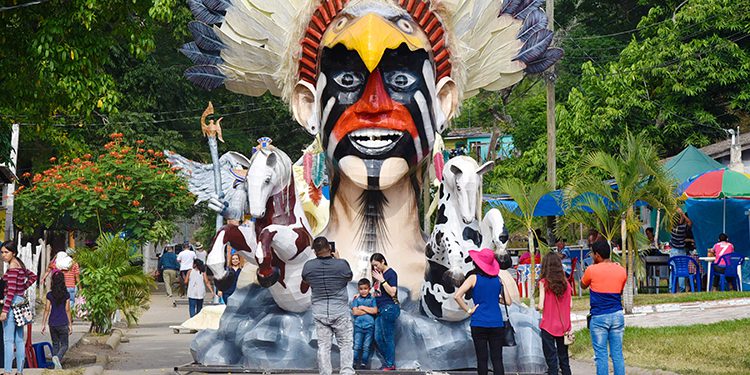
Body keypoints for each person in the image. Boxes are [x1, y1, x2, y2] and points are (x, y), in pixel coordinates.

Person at [454, 248, 512, 375]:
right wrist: (494, 298)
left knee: (482, 360)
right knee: (497, 360)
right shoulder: (498, 279)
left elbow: (457, 296)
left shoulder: (473, 278)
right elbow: (508, 301)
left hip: (479, 322)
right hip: (496, 323)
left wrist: (469, 310)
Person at [301, 237, 354, 375]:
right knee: (345, 344)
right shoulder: (342, 264)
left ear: (315, 251)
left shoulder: (308, 266)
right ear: (329, 248)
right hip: (340, 311)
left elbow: (305, 283)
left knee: (324, 346)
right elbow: (348, 278)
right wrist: (337, 260)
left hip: (320, 312)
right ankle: (347, 372)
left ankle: (325, 373)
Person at [581, 240, 627, 375]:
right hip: (617, 315)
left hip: (599, 317)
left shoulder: (591, 270)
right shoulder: (621, 270)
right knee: (617, 354)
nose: (592, 257)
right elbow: (620, 291)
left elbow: (583, 285)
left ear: (598, 255)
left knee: (601, 355)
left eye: (593, 255)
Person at [1, 241, 38, 375]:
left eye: (6, 252)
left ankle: (7, 371)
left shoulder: (12, 268)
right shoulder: (20, 266)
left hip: (11, 304)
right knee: (19, 338)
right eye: (2, 252)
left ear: (14, 253)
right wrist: (22, 288)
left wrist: (4, 311)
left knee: (8, 339)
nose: (3, 255)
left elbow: (10, 292)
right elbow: (33, 276)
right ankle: (20, 371)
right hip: (21, 302)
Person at [537, 253, 572, 375]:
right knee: (564, 359)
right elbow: (570, 305)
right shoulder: (567, 284)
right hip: (564, 327)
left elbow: (541, 305)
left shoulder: (544, 283)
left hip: (548, 326)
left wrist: (537, 307)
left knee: (552, 361)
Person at [370, 253, 400, 371]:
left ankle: (390, 364)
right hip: (380, 310)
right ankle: (388, 360)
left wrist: (382, 280)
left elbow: (393, 292)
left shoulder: (391, 274)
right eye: (373, 266)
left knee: (388, 337)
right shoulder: (379, 276)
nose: (375, 268)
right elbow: (376, 292)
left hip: (389, 308)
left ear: (383, 261)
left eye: (376, 265)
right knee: (378, 337)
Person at [41, 272, 73, 369]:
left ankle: (56, 366)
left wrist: (43, 324)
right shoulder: (66, 295)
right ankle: (57, 359)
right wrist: (70, 324)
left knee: (55, 344)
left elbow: (47, 309)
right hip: (63, 322)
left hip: (52, 323)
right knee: (65, 345)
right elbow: (67, 310)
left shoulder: (50, 295)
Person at [351, 278, 377, 370]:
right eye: (361, 289)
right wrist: (368, 311)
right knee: (357, 345)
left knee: (366, 346)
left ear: (369, 289)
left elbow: (375, 311)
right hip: (358, 326)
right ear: (358, 289)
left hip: (369, 326)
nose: (363, 291)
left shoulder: (372, 299)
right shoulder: (356, 299)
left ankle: (364, 363)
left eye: (365, 288)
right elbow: (355, 312)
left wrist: (362, 307)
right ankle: (354, 363)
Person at [670, 208, 691, 292]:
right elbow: (689, 223)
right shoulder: (683, 228)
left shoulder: (671, 228)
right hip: (681, 251)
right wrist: (682, 214)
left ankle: (671, 288)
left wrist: (677, 213)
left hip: (673, 251)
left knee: (673, 270)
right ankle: (681, 288)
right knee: (682, 269)